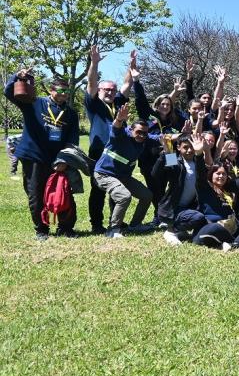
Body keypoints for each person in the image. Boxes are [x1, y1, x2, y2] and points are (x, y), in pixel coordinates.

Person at [5, 70, 80, 240]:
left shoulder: (71, 114)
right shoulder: (33, 102)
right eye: (60, 90)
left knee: (64, 191)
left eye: (67, 91)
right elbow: (9, 92)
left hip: (57, 160)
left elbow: (72, 140)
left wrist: (63, 159)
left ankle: (66, 227)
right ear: (51, 90)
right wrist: (18, 77)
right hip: (34, 157)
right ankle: (41, 230)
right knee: (36, 194)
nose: (63, 94)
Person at [85, 45, 132, 233]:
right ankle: (96, 224)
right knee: (97, 191)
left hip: (118, 155)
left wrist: (131, 66)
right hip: (98, 153)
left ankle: (116, 221)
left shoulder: (119, 102)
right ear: (99, 89)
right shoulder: (93, 103)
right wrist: (94, 63)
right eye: (106, 89)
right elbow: (90, 81)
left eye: (112, 90)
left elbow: (127, 85)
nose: (110, 93)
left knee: (117, 189)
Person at [92, 104, 158, 238]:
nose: (141, 135)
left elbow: (163, 137)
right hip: (104, 174)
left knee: (147, 195)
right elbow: (116, 128)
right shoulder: (120, 136)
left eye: (145, 133)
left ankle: (135, 225)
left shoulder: (144, 139)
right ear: (130, 129)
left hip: (123, 176)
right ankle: (113, 229)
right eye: (138, 132)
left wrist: (185, 134)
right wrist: (119, 119)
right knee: (124, 196)